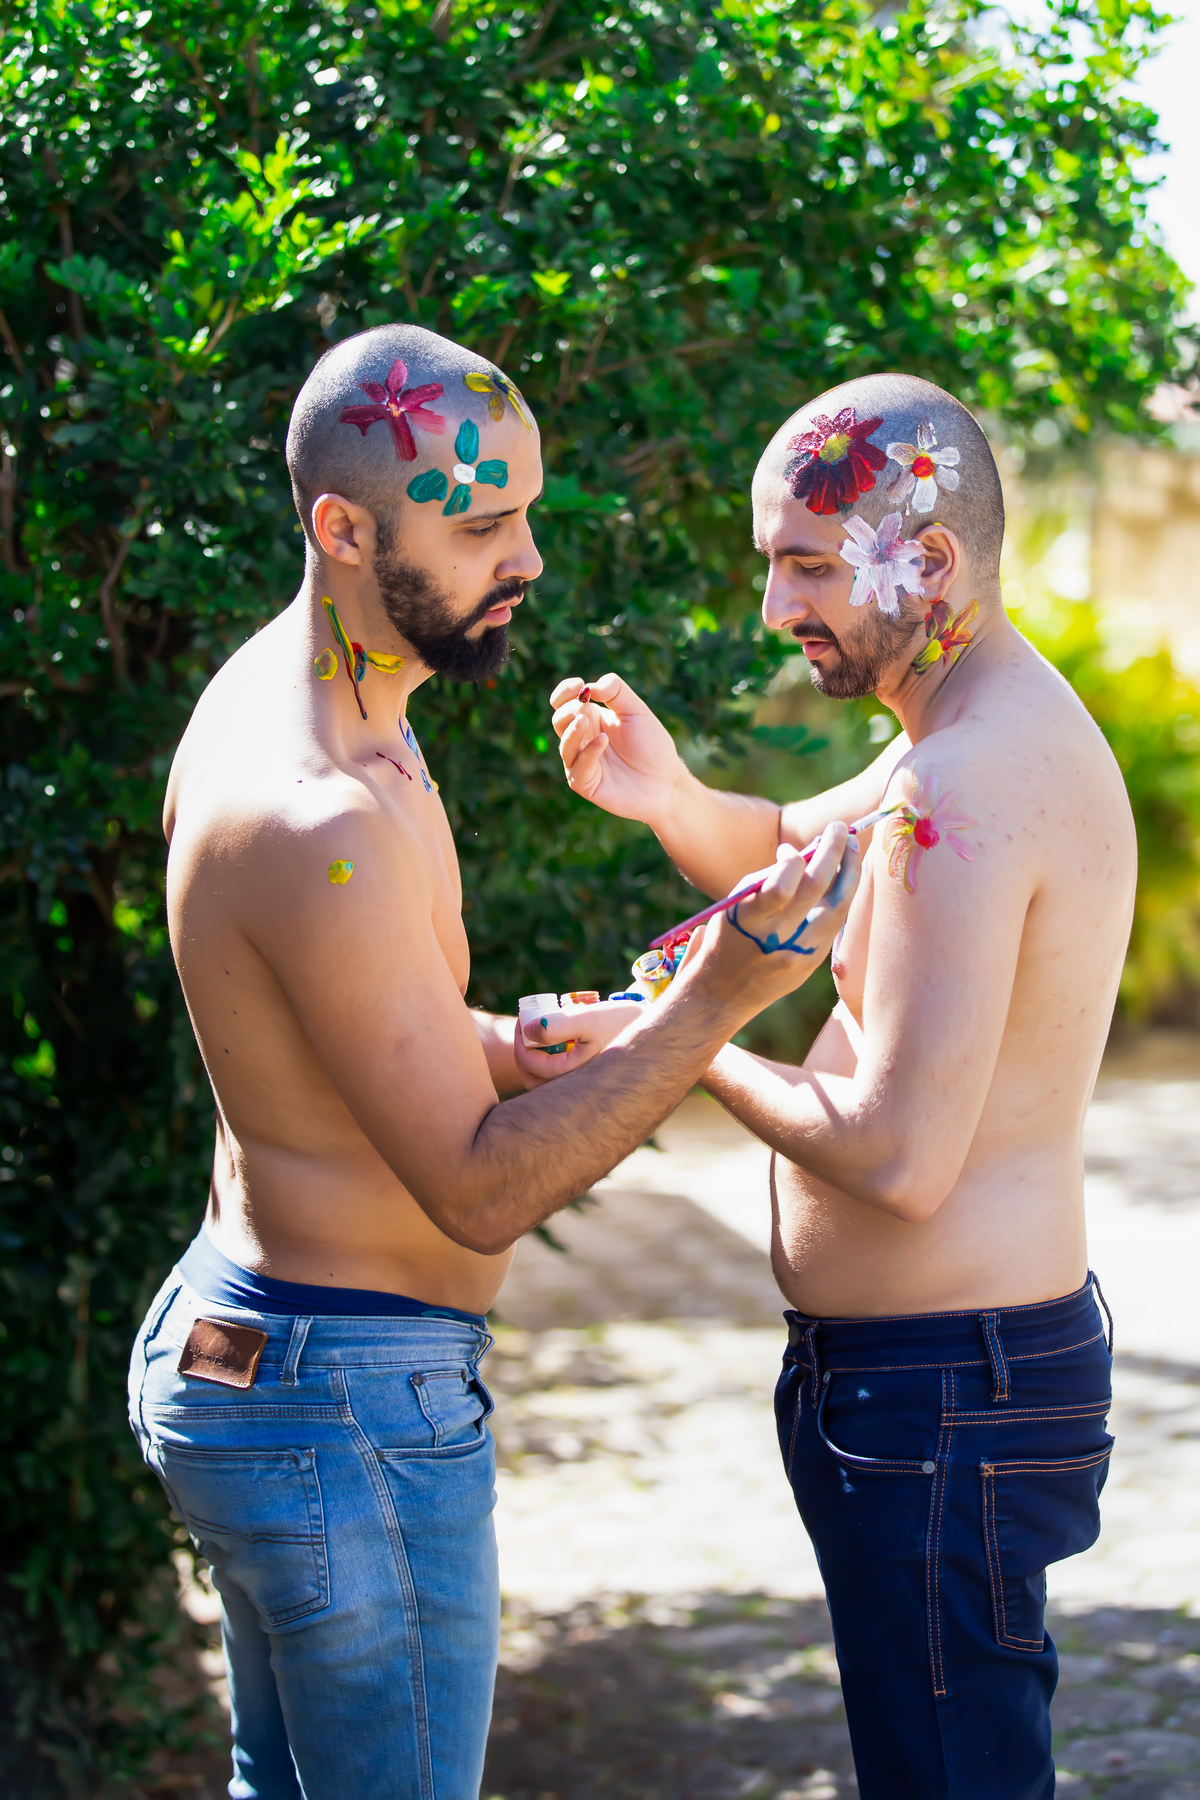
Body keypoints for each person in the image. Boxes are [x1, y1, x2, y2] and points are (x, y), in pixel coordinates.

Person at [126, 322, 859, 1800]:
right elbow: (473, 1195)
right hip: (345, 1405)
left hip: (270, 1362)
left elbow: (357, 1034)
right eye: (478, 525)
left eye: (524, 510)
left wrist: (548, 1040)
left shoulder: (336, 709)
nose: (524, 558)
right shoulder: (316, 811)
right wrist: (717, 999)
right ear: (343, 529)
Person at [543, 373, 1136, 1799]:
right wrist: (666, 796)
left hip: (948, 1393)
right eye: (775, 563)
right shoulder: (948, 738)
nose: (774, 608)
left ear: (924, 561)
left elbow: (897, 1155)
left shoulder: (969, 778)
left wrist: (670, 1039)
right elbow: (783, 845)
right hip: (934, 1384)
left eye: (806, 565)